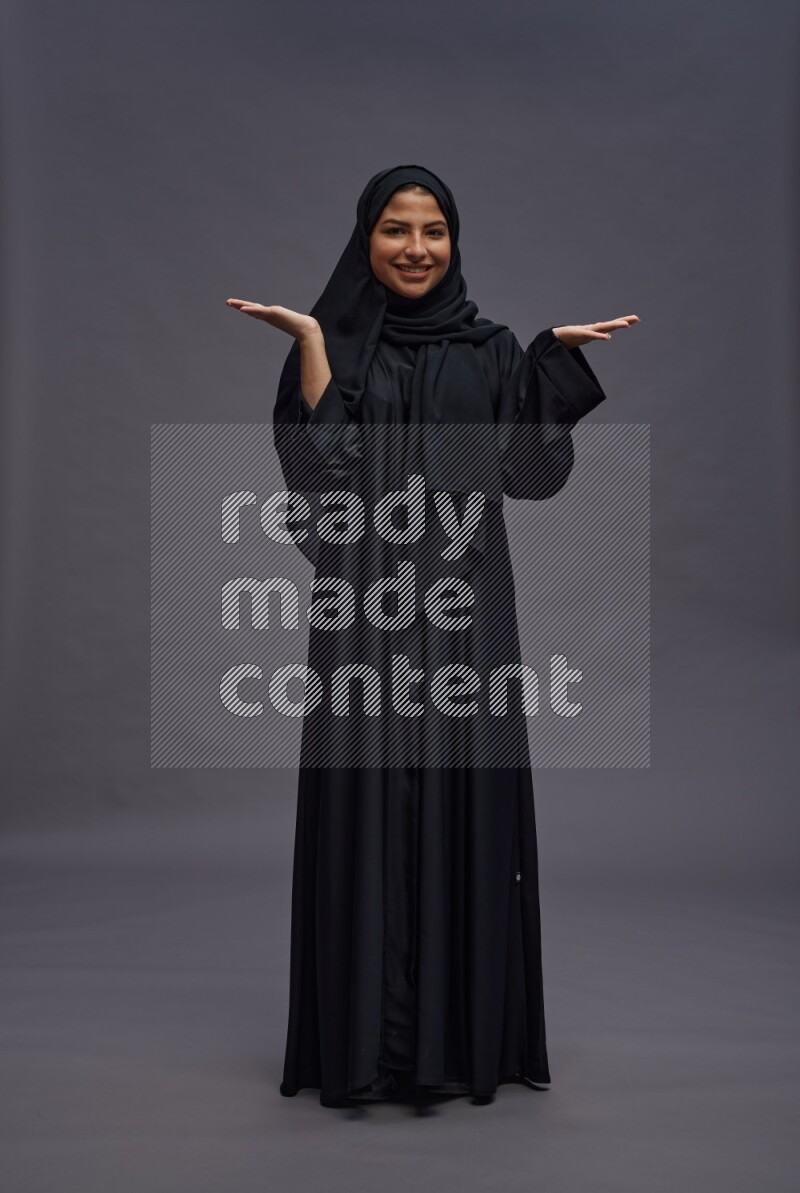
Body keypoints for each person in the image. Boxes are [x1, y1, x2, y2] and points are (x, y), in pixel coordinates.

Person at [227, 163, 639, 1108]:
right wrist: (310, 342)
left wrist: (552, 365)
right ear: (363, 240)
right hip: (363, 617)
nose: (416, 248)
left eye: (434, 231)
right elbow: (320, 485)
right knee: (364, 815)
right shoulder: (335, 351)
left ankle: (462, 1042)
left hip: (467, 620)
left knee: (467, 808)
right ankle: (365, 1048)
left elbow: (529, 478)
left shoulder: (490, 352)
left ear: (455, 242)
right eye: (394, 230)